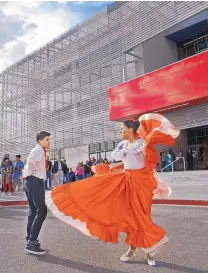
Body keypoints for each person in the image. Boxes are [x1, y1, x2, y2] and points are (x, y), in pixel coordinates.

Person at [46, 113, 179, 266]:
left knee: (142, 218)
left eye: (122, 129)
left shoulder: (142, 144)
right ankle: (132, 249)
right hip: (124, 182)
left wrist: (148, 144)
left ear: (130, 130)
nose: (120, 131)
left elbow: (148, 164)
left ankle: (149, 251)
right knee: (127, 217)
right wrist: (114, 167)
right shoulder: (122, 146)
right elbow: (126, 163)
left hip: (140, 185)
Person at [23, 131, 50, 255]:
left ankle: (30, 238)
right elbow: (30, 164)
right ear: (40, 141)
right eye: (47, 140)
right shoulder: (38, 150)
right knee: (42, 211)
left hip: (31, 181)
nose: (49, 142)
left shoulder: (40, 151)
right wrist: (31, 175)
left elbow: (34, 165)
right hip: (34, 181)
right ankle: (31, 243)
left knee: (33, 211)